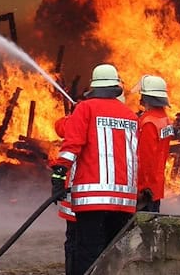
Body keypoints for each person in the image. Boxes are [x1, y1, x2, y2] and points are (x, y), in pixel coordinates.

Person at [50, 63, 138, 275]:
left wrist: (58, 175)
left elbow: (72, 145)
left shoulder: (85, 109)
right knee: (113, 254)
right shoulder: (131, 116)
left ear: (94, 87)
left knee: (88, 254)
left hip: (92, 199)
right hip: (124, 201)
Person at [132, 74, 174, 213]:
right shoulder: (164, 119)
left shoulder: (149, 122)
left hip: (145, 191)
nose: (140, 99)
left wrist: (141, 190)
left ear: (146, 98)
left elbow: (145, 160)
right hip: (156, 185)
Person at [52, 114, 76, 275]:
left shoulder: (81, 120)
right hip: (112, 200)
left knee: (75, 243)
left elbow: (61, 128)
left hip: (79, 198)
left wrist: (58, 177)